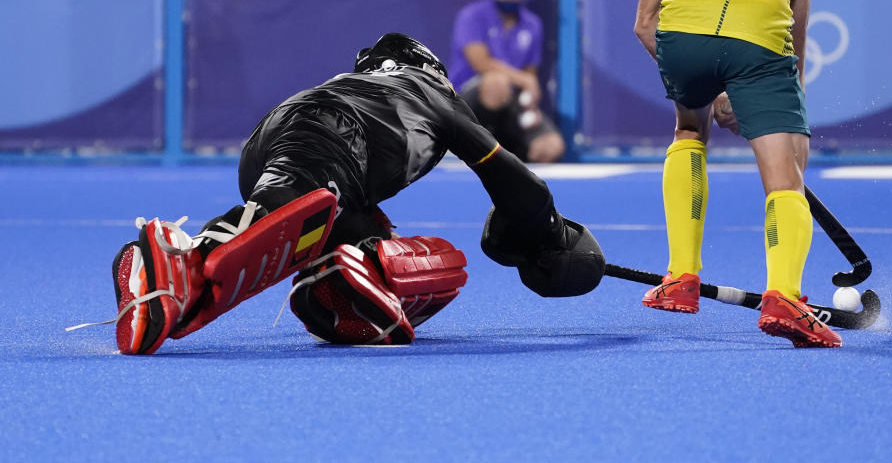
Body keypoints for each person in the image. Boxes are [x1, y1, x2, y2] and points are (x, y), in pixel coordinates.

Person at [97, 34, 604, 354]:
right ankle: (173, 261)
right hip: (331, 135)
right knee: (307, 190)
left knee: (372, 238)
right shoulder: (428, 91)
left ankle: (341, 278)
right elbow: (512, 177)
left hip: (273, 145)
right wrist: (551, 234)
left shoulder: (362, 84)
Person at [632, 0, 842, 348]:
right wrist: (749, 101)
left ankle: (680, 278)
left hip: (681, 38)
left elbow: (644, 22)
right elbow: (793, 57)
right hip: (758, 52)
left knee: (687, 131)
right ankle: (785, 296)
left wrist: (711, 86)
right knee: (785, 175)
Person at [447, 0, 565, 163]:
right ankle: (465, 142)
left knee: (552, 146)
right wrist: (525, 80)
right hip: (466, 100)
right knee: (496, 83)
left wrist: (530, 95)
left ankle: (507, 153)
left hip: (510, 100)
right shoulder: (472, 16)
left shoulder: (532, 23)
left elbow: (530, 72)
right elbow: (480, 63)